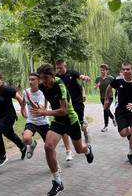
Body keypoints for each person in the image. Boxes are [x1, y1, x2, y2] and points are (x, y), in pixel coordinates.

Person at [32, 63, 93, 196]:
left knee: (78, 149)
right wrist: (43, 108)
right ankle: (58, 182)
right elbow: (47, 97)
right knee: (48, 146)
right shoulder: (43, 86)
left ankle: (87, 149)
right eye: (41, 79)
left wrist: (45, 112)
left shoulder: (60, 86)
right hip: (57, 121)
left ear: (53, 76)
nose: (44, 83)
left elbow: (64, 111)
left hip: (70, 120)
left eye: (46, 79)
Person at [104, 61, 132, 165]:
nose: (125, 71)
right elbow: (109, 87)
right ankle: (129, 136)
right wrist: (106, 99)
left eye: (127, 69)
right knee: (123, 133)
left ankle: (130, 154)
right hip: (121, 110)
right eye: (123, 69)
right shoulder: (118, 80)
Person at [55, 59, 91, 161]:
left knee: (81, 125)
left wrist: (85, 78)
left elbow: (81, 76)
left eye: (60, 68)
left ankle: (85, 131)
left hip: (77, 103)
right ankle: (68, 151)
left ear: (65, 66)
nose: (59, 70)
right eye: (57, 68)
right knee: (64, 127)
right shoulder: (56, 77)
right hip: (65, 105)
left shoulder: (72, 73)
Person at [22, 72, 50, 159]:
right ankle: (33, 144)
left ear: (39, 81)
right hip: (31, 121)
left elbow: (39, 109)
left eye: (33, 80)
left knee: (49, 147)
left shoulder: (42, 93)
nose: (30, 82)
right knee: (26, 139)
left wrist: (30, 99)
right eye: (29, 80)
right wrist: (23, 109)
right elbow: (23, 101)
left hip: (43, 122)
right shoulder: (25, 91)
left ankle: (56, 165)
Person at [94, 64, 116, 132]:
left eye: (103, 70)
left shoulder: (110, 78)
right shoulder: (98, 79)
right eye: (101, 70)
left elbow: (115, 86)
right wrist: (97, 85)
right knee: (107, 110)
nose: (102, 71)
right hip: (102, 97)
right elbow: (94, 88)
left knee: (105, 109)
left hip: (110, 97)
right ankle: (113, 118)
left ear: (106, 70)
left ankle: (105, 126)